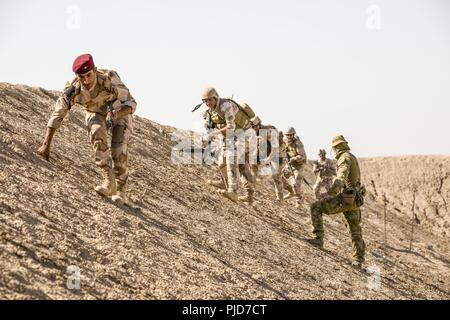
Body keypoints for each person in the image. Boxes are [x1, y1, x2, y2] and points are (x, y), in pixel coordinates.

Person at [37, 54, 136, 205]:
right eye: (81, 76)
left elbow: (132, 103)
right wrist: (46, 144)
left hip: (119, 112)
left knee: (118, 149)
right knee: (96, 131)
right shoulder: (73, 88)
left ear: (94, 70)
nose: (86, 80)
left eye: (88, 75)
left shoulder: (109, 79)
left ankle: (121, 191)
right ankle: (109, 181)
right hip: (95, 112)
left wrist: (117, 114)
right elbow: (58, 113)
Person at [308, 135, 366, 268]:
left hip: (345, 199)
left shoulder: (344, 158)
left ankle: (318, 239)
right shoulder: (351, 156)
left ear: (335, 148)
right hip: (354, 200)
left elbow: (340, 179)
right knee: (355, 229)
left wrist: (328, 194)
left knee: (316, 207)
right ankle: (358, 260)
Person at [200, 87, 254, 204]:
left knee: (231, 158)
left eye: (210, 100)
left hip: (244, 133)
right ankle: (227, 183)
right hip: (231, 136)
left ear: (215, 97)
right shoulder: (210, 111)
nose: (208, 103)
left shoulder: (225, 106)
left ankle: (233, 191)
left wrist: (214, 133)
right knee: (222, 163)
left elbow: (231, 127)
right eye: (205, 101)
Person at [249, 116, 285, 201]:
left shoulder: (269, 131)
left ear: (259, 125)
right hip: (266, 152)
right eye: (252, 127)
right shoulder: (254, 132)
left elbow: (275, 148)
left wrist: (268, 159)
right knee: (253, 164)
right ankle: (250, 192)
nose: (253, 128)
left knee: (276, 176)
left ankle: (280, 199)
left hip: (278, 153)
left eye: (254, 126)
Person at [281, 127, 307, 208]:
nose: (288, 137)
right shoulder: (285, 141)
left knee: (296, 183)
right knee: (281, 175)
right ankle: (291, 191)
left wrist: (294, 158)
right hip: (290, 163)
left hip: (299, 164)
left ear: (293, 135)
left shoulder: (298, 143)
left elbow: (302, 156)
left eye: (290, 135)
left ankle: (298, 201)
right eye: (287, 135)